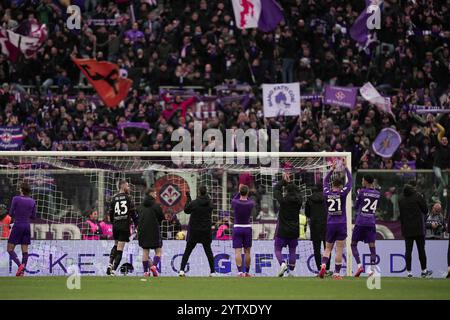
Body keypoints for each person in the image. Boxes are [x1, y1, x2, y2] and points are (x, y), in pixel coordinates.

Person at [319, 163, 352, 279]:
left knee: (328, 248)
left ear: (332, 185)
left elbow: (324, 181)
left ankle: (323, 265)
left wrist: (331, 170)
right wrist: (346, 168)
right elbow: (351, 182)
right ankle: (337, 273)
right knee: (339, 249)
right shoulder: (342, 194)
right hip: (341, 224)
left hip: (330, 223)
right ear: (341, 185)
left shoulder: (327, 193)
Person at [179, 186, 216, 277]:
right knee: (208, 252)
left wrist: (188, 198)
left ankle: (181, 270)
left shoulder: (194, 203)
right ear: (206, 192)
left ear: (199, 192)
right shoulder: (210, 203)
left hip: (194, 231)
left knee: (187, 251)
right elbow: (211, 206)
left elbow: (186, 210)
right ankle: (212, 272)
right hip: (206, 231)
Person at [398, 184, 433, 278]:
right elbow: (425, 210)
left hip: (407, 228)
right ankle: (424, 271)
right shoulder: (417, 196)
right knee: (421, 250)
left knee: (408, 251)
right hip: (418, 228)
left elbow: (400, 214)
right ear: (413, 189)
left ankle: (409, 272)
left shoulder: (400, 199)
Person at [106, 180, 138, 276]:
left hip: (115, 225)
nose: (129, 188)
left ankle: (110, 263)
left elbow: (111, 214)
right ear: (123, 186)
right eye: (127, 186)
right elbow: (133, 213)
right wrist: (137, 224)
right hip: (124, 226)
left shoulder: (113, 198)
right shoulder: (128, 198)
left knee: (115, 245)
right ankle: (114, 270)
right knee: (120, 249)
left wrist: (113, 222)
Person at [273, 173, 302, 277]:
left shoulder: (283, 201)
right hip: (294, 229)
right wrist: (290, 183)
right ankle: (291, 272)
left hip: (283, 229)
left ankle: (282, 263)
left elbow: (276, 190)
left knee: (277, 248)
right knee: (292, 250)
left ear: (286, 191)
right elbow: (298, 191)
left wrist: (283, 182)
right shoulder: (299, 201)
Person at [351, 174, 381, 277]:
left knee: (353, 244)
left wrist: (358, 196)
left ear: (366, 182)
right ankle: (372, 270)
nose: (362, 181)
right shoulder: (377, 193)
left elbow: (356, 206)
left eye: (363, 180)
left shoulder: (362, 192)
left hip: (360, 222)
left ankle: (360, 266)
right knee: (372, 245)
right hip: (371, 222)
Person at [7, 182, 37, 276]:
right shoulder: (32, 201)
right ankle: (22, 272)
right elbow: (33, 216)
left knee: (10, 249)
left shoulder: (16, 199)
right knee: (25, 250)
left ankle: (20, 266)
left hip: (18, 225)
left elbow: (11, 213)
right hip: (27, 226)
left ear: (21, 190)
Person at [305, 184, 331, 275]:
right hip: (325, 224)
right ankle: (326, 268)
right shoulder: (326, 198)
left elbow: (307, 213)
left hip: (314, 225)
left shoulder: (309, 199)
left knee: (316, 249)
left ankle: (319, 269)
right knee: (327, 248)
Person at [138, 188, 164, 277]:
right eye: (155, 193)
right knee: (158, 251)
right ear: (151, 194)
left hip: (142, 231)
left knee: (145, 251)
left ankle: (145, 272)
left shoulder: (140, 206)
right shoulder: (156, 205)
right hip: (154, 230)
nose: (156, 195)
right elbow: (161, 217)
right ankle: (154, 266)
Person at [231, 184, 255, 277]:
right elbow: (247, 198)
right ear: (248, 193)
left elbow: (236, 198)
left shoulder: (235, 202)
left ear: (240, 192)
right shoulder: (250, 203)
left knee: (238, 251)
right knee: (247, 251)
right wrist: (244, 191)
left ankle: (240, 272)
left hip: (237, 227)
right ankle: (247, 272)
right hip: (247, 227)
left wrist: (239, 190)